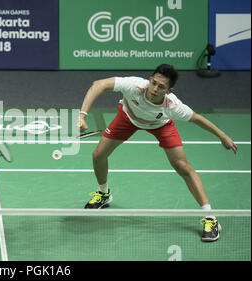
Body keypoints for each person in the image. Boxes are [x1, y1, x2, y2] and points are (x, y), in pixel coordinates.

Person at [77, 64, 237, 242]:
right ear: (149, 79)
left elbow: (197, 119)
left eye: (161, 87)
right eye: (153, 83)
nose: (154, 89)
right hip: (128, 118)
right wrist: (82, 114)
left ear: (169, 90)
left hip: (160, 125)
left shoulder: (173, 106)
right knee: (98, 155)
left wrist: (222, 136)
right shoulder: (134, 85)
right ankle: (104, 194)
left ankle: (210, 218)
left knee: (183, 166)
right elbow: (99, 84)